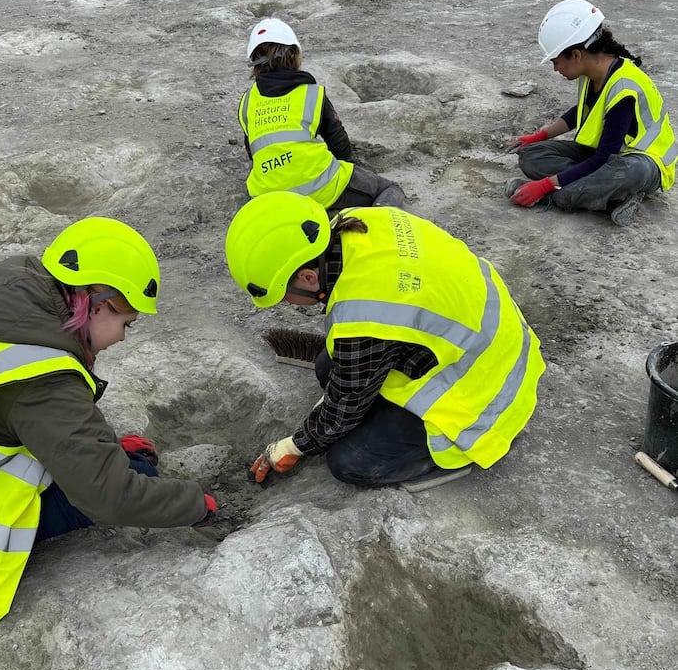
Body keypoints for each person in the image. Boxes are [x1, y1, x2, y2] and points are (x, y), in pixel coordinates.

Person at [0, 217, 216, 635]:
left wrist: (106, 445)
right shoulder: (42, 381)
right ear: (98, 302)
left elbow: (43, 419)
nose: (123, 338)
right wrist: (196, 504)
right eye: (126, 323)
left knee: (123, 462)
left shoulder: (4, 309)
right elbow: (109, 497)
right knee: (137, 476)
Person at [224, 192, 545, 491]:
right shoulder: (359, 222)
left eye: (285, 296)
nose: (288, 304)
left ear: (309, 277)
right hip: (482, 337)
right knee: (328, 367)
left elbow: (342, 409)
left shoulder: (365, 314)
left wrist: (295, 445)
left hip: (485, 393)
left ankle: (449, 460)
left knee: (350, 462)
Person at [505, 0, 677, 226]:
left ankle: (570, 194)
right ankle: (606, 193)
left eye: (556, 61)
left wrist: (545, 185)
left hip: (642, 163)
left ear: (576, 55)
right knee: (530, 156)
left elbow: (604, 157)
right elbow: (581, 112)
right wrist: (539, 137)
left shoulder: (624, 88)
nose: (555, 69)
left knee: (586, 186)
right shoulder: (592, 74)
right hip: (601, 156)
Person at [238, 17, 405, 214]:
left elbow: (254, 152)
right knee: (390, 189)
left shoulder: (247, 102)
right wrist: (349, 170)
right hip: (321, 189)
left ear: (254, 64)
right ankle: (374, 223)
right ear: (294, 55)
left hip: (268, 198)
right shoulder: (311, 94)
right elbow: (337, 139)